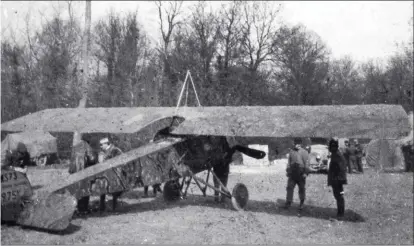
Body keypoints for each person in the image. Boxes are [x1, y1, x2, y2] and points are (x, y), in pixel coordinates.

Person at [69, 139, 97, 215]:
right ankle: (83, 209)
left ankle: (78, 208)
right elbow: (92, 159)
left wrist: (71, 172)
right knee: (85, 191)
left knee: (77, 191)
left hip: (75, 174)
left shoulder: (75, 147)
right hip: (85, 173)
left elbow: (71, 163)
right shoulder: (88, 147)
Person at [283, 138, 310, 212]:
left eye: (299, 143)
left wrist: (305, 173)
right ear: (294, 144)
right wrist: (288, 171)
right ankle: (288, 202)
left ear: (301, 144)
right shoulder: (291, 152)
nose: (297, 145)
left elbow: (307, 164)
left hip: (301, 173)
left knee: (301, 188)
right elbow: (289, 163)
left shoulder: (304, 152)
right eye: (296, 143)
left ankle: (301, 203)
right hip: (292, 173)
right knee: (289, 187)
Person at [98, 137, 123, 212]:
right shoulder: (103, 152)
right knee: (102, 190)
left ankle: (114, 208)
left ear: (106, 143)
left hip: (114, 174)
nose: (100, 146)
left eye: (101, 144)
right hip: (105, 174)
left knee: (114, 192)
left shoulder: (115, 150)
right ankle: (102, 208)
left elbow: (122, 160)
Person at [327, 137, 348, 219]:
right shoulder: (335, 154)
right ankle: (340, 212)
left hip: (337, 180)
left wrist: (339, 180)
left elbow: (342, 168)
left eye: (331, 146)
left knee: (339, 196)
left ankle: (341, 213)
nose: (330, 148)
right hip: (336, 180)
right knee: (338, 196)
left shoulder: (337, 155)